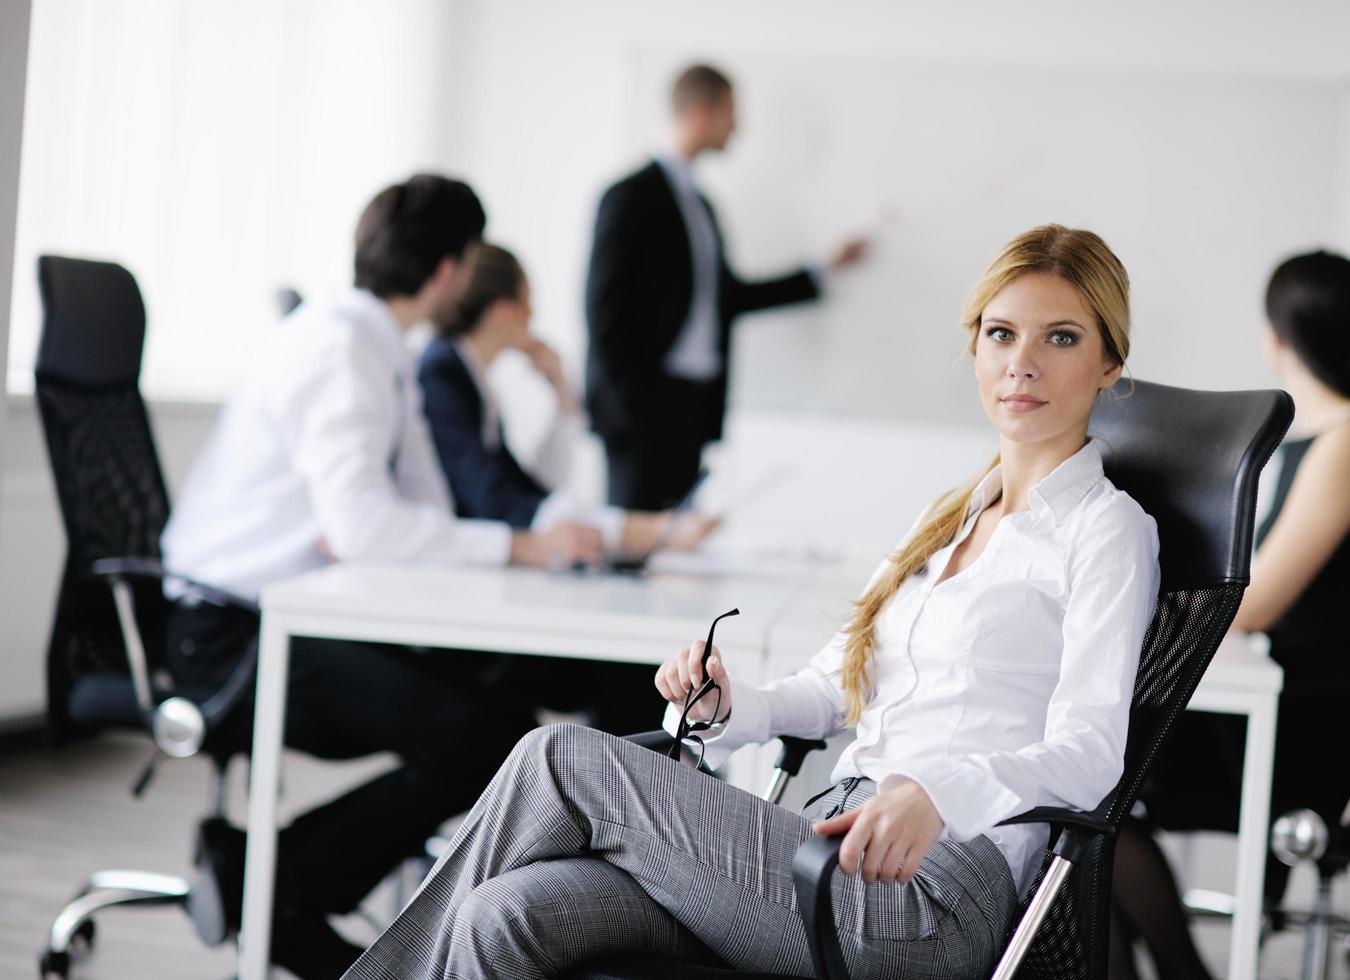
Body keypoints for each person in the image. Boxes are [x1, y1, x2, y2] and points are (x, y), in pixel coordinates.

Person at [343, 224, 1161, 980]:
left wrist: (944, 792)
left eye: (1061, 338)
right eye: (1001, 334)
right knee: (504, 916)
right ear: (975, 350)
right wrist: (735, 703)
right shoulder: (951, 517)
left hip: (931, 892)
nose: (1022, 363)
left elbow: (1091, 751)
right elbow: (841, 680)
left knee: (558, 759)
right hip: (827, 845)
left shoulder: (1106, 530)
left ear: (1109, 364)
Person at [160, 175, 604, 979]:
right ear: (449, 269)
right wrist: (517, 551)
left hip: (298, 616)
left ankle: (268, 876)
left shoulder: (381, 349)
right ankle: (279, 890)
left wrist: (506, 545)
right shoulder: (340, 348)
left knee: (501, 718)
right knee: (478, 737)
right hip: (229, 635)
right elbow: (361, 527)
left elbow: (426, 508)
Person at [1108, 251, 1350, 980]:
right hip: (1305, 698)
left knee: (1101, 777)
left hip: (1332, 726)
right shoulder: (1324, 433)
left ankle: (1180, 969)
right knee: (1101, 768)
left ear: (1275, 336)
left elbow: (1256, 603)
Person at [419, 240, 717, 732]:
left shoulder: (469, 377)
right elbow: (499, 501)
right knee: (627, 667)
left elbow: (535, 488)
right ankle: (628, 797)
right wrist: (639, 530)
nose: (534, 317)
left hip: (494, 583)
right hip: (467, 598)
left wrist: (559, 390)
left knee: (631, 661)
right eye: (528, 302)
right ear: (501, 311)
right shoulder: (442, 374)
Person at [585, 63, 868, 510]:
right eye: (730, 113)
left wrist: (822, 271)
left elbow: (728, 299)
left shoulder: (701, 206)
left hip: (691, 409)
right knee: (633, 551)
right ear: (701, 111)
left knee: (677, 551)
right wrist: (632, 411)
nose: (737, 128)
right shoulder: (629, 196)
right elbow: (603, 317)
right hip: (641, 413)